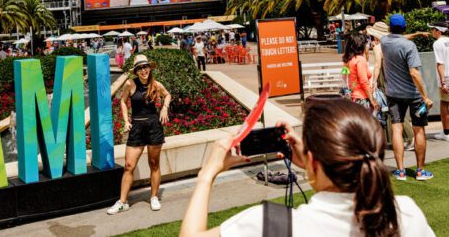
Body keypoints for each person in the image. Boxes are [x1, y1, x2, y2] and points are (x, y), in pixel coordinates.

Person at [180, 96, 434, 237]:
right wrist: (313, 163)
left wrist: (207, 174)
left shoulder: (268, 225)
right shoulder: (405, 213)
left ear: (313, 160)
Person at [108, 55, 171, 214]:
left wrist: (164, 108)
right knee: (129, 165)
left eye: (145, 67)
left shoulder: (155, 84)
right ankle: (123, 202)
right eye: (140, 68)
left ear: (149, 68)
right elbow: (122, 101)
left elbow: (168, 95)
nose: (143, 70)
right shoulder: (130, 83)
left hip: (153, 126)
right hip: (136, 127)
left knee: (154, 164)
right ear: (136, 71)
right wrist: (125, 120)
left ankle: (154, 197)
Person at [380, 14, 434, 181]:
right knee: (419, 130)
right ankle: (420, 171)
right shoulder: (409, 46)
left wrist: (417, 34)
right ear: (404, 28)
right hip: (414, 95)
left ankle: (401, 171)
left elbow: (397, 38)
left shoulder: (384, 41)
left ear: (390, 28)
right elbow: (414, 73)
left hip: (393, 94)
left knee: (397, 128)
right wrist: (425, 96)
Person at [367, 21, 415, 151]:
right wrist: (418, 34)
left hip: (385, 78)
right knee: (396, 109)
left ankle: (409, 137)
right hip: (396, 77)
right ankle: (403, 137)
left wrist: (374, 82)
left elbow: (377, 65)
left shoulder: (379, 47)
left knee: (392, 109)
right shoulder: (392, 44)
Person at [342, 34, 378, 113]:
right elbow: (363, 81)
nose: (367, 46)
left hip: (351, 97)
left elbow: (344, 77)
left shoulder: (348, 59)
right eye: (366, 43)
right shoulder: (360, 60)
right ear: (360, 45)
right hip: (361, 98)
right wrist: (372, 99)